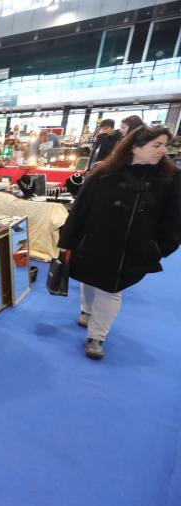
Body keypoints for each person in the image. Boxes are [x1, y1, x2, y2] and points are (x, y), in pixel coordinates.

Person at [57, 127, 181, 359]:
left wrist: (158, 249)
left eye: (165, 145)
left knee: (111, 289)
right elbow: (80, 211)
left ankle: (97, 336)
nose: (163, 151)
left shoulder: (170, 179)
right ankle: (87, 310)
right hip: (94, 243)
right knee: (90, 279)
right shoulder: (102, 173)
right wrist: (67, 240)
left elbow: (175, 219)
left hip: (134, 251)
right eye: (156, 145)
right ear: (135, 147)